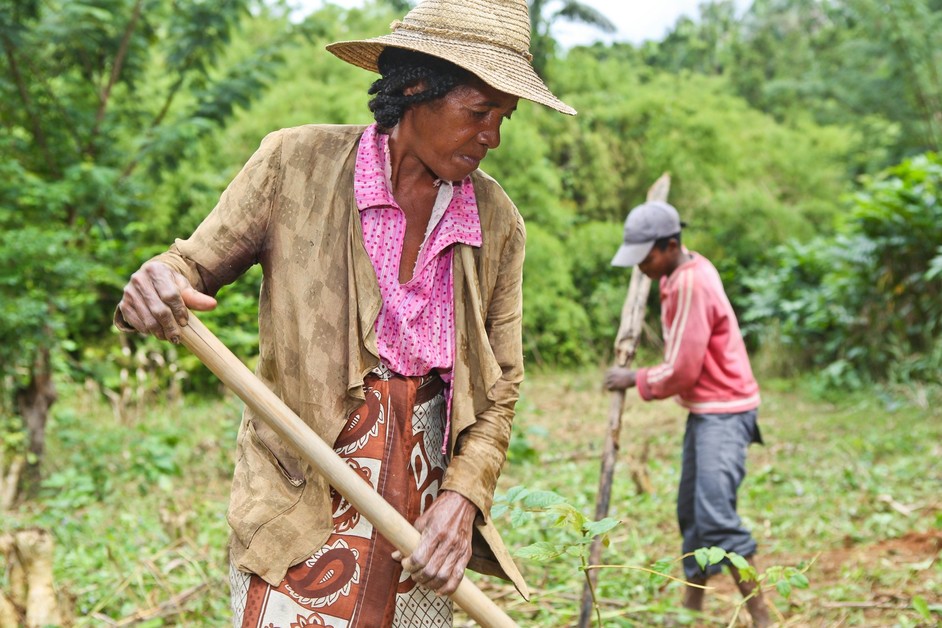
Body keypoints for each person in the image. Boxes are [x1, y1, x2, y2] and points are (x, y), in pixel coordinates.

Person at [115, 0, 575, 625]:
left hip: (420, 512)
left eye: (504, 117)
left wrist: (462, 499)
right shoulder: (292, 165)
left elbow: (501, 388)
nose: (492, 136)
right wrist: (157, 282)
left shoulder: (496, 221)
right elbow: (187, 266)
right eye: (478, 113)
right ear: (415, 88)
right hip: (298, 494)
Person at [603, 201, 771, 627]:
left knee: (716, 515)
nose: (640, 266)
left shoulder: (689, 283)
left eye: (646, 256)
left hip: (725, 412)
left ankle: (763, 618)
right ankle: (689, 613)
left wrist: (633, 378)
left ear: (671, 245)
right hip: (708, 411)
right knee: (692, 517)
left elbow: (682, 370)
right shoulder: (677, 274)